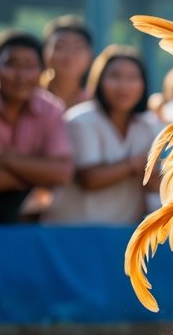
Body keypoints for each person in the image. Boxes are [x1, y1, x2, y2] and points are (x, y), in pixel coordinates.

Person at [44, 46, 162, 224]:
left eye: (132, 78)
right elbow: (89, 179)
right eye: (115, 76)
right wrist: (135, 164)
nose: (124, 85)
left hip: (120, 236)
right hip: (70, 232)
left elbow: (155, 184)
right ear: (98, 80)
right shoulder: (80, 120)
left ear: (143, 84)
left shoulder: (149, 125)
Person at [0, 29, 73, 223]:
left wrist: (5, 158)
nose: (21, 75)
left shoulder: (52, 109)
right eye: (12, 65)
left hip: (23, 219)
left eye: (30, 66)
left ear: (42, 72)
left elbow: (63, 173)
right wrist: (38, 176)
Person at [40, 15, 94, 109]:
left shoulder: (97, 100)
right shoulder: (31, 94)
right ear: (45, 52)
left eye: (78, 47)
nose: (70, 54)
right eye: (61, 46)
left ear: (90, 55)